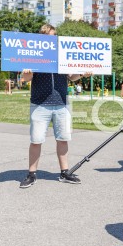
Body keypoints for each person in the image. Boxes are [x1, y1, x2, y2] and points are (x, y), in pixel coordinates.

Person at [19, 24, 92, 188]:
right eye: (48, 36)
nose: (52, 39)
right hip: (40, 104)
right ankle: (31, 174)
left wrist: (81, 73)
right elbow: (27, 78)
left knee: (63, 139)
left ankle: (64, 172)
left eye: (54, 36)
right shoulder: (34, 54)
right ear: (41, 38)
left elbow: (71, 77)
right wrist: (27, 71)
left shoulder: (63, 54)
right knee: (36, 140)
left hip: (61, 104)